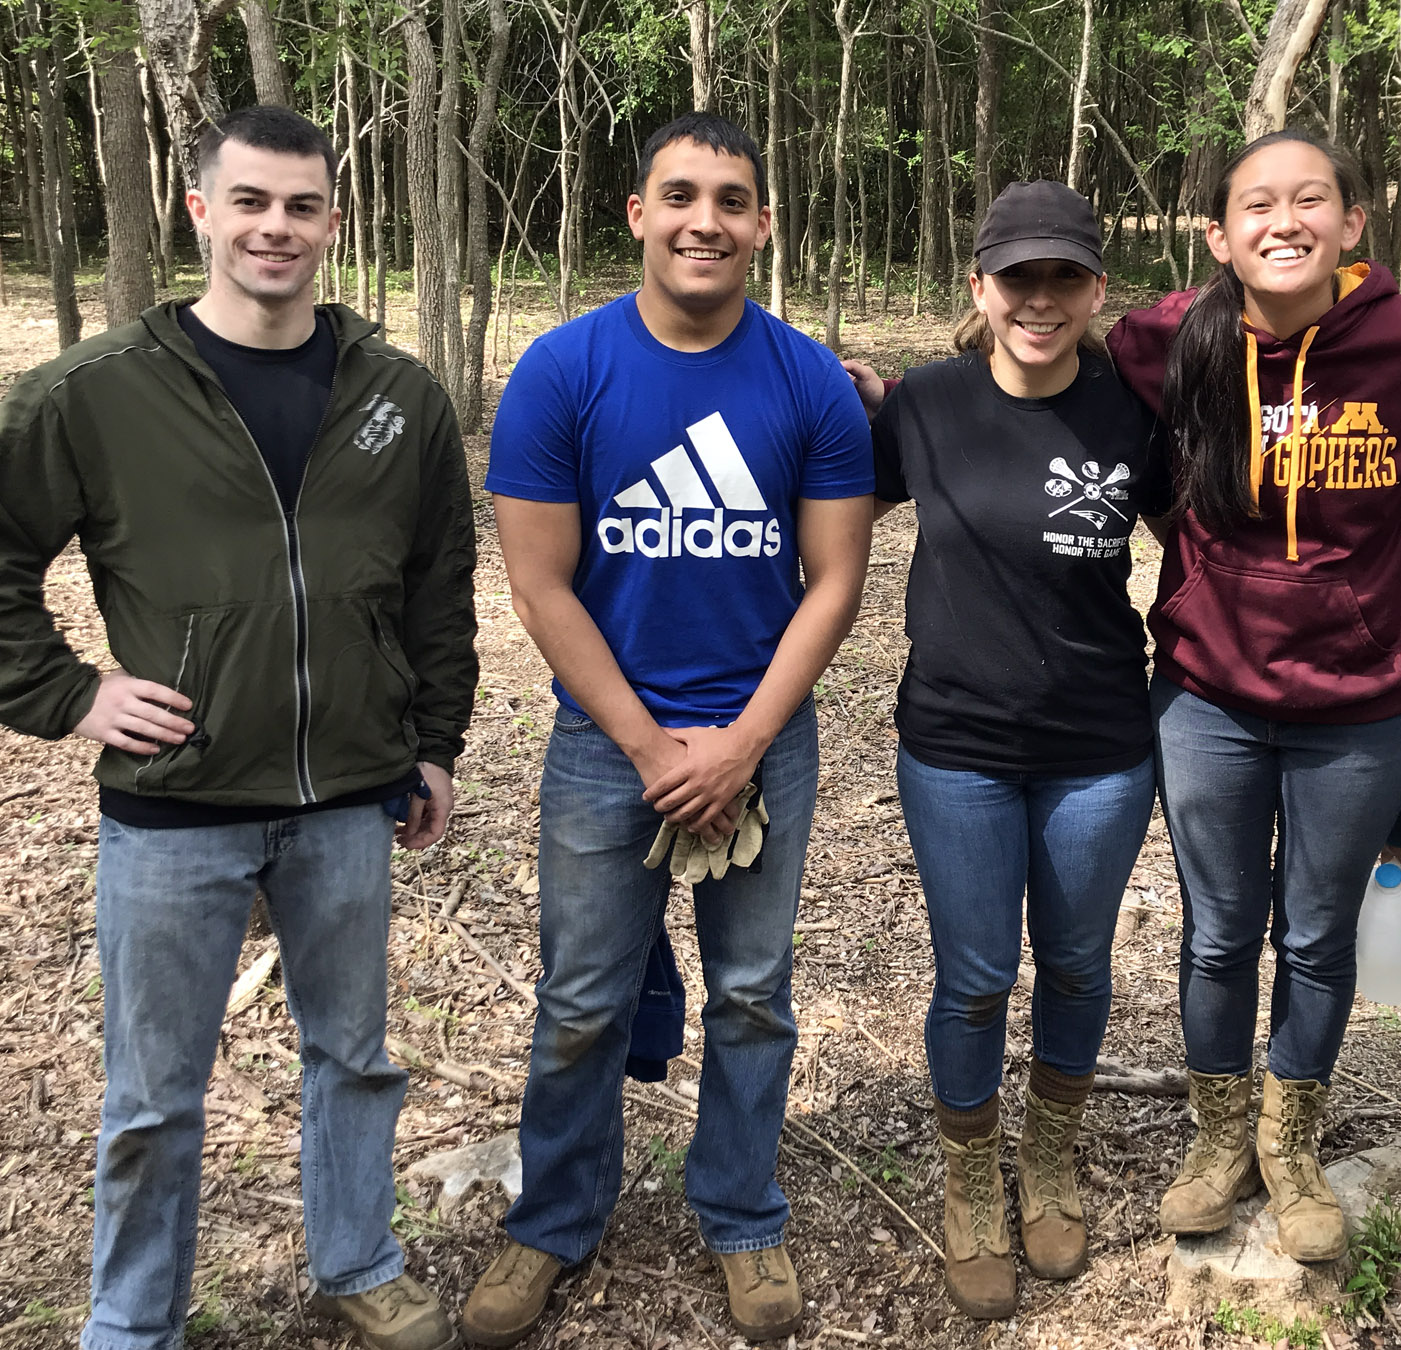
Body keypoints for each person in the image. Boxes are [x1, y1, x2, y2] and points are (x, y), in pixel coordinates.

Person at [0, 106, 477, 1350]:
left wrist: (435, 744)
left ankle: (359, 1258)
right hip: (174, 803)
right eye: (251, 202)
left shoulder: (399, 394)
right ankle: (130, 1318)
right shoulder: (94, 394)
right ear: (199, 210)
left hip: (348, 801)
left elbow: (437, 587)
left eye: (303, 206)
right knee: (155, 1096)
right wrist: (70, 694)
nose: (278, 228)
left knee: (356, 1058)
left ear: (332, 220)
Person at [468, 111, 873, 1347]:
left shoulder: (807, 379)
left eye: (734, 199)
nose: (708, 219)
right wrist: (651, 748)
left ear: (761, 224)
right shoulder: (563, 370)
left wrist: (744, 742)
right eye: (681, 195)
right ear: (638, 213)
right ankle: (551, 1224)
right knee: (582, 998)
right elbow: (540, 585)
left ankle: (743, 1215)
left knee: (752, 995)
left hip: (764, 737)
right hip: (606, 746)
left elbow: (836, 581)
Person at [1104, 129, 1401, 1260]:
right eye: (1256, 205)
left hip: (1364, 705)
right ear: (1219, 236)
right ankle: (1218, 1141)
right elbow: (1053, 375)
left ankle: (1291, 1144)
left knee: (1318, 937)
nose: (1285, 221)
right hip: (1208, 696)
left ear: (1352, 224)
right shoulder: (1166, 338)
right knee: (1220, 934)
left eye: (1310, 200)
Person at [846, 180, 1161, 1319]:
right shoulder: (922, 406)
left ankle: (1053, 1153)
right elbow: (823, 520)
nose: (1039, 299)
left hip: (1101, 748)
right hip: (957, 746)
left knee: (1077, 966)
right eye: (1015, 277)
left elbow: (1210, 551)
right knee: (976, 978)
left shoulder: (1132, 416)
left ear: (1094, 290)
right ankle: (972, 1173)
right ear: (977, 288)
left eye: (1062, 277)